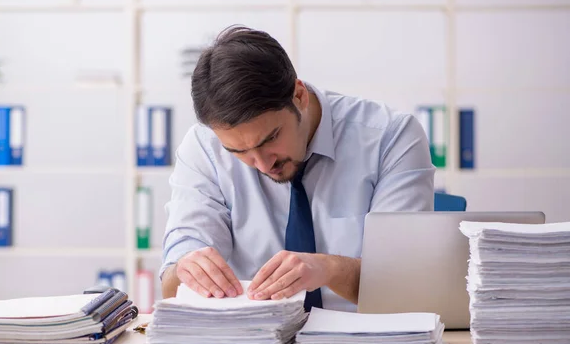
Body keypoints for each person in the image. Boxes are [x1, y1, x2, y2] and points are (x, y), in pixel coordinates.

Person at [159, 25, 435, 312]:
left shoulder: (391, 136)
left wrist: (330, 269)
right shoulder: (203, 147)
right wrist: (186, 270)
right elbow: (170, 283)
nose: (263, 164)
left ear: (299, 96)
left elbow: (407, 283)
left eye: (271, 138)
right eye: (239, 152)